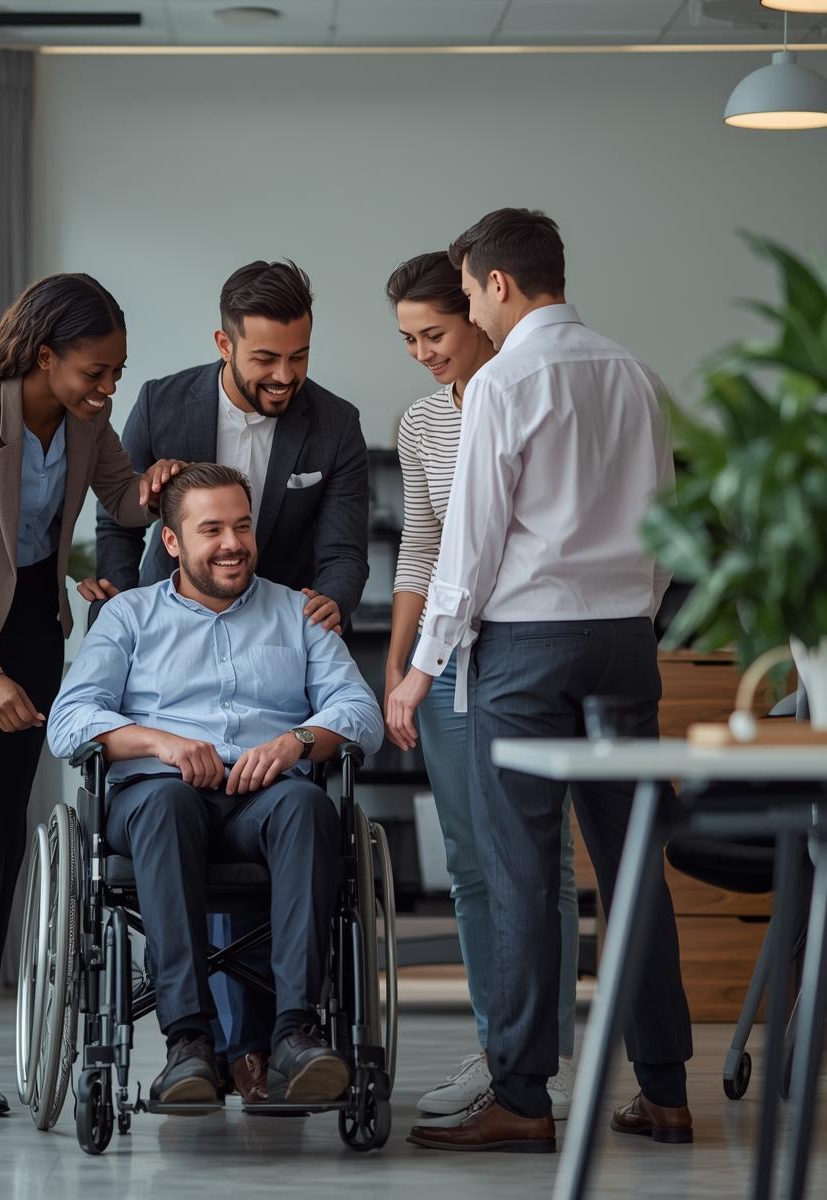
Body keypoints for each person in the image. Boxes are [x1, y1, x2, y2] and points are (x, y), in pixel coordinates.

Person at [387, 209, 693, 1153]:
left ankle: (522, 1098)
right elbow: (669, 527)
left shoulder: (505, 382)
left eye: (470, 290)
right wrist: (631, 621)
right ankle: (666, 1090)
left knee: (522, 875)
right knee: (631, 865)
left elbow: (469, 547)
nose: (472, 304)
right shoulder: (635, 374)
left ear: (498, 283)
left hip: (524, 651)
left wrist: (420, 670)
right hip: (623, 644)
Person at [0, 273, 184, 1132]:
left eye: (118, 371)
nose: (108, 387)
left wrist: (155, 485)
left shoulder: (88, 421)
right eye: (96, 370)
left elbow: (120, 496)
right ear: (45, 357)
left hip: (24, 621)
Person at [81, 260, 370, 1103]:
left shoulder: (335, 425)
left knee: (297, 807)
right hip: (168, 643)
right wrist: (122, 602)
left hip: (279, 643)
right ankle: (197, 1046)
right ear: (225, 345)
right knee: (174, 803)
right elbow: (117, 511)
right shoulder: (165, 405)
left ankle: (281, 1041)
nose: (285, 376)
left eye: (300, 358)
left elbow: (345, 548)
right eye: (265, 360)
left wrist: (324, 611)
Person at [48, 463, 383, 1108]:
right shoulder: (128, 617)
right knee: (168, 804)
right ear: (172, 542)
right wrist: (160, 742)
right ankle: (188, 1044)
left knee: (310, 807)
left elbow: (359, 710)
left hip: (265, 795)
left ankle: (295, 1035)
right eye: (212, 530)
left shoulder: (298, 612)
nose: (233, 543)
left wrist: (297, 743)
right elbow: (71, 721)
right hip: (158, 794)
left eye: (242, 526)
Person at [382, 251, 579, 1125]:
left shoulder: (533, 389)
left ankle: (534, 1058)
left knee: (540, 862)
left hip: (524, 651)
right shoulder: (422, 423)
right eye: (408, 339)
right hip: (445, 661)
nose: (423, 351)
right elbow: (421, 550)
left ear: (477, 312)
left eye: (435, 332)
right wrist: (398, 665)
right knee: (468, 860)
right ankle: (499, 1045)